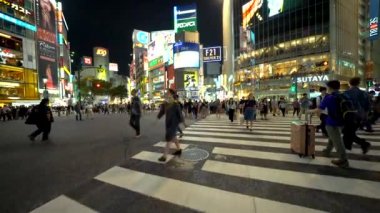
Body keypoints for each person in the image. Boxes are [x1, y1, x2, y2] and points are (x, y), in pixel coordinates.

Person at [316, 80, 349, 168]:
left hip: (332, 122)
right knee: (333, 137)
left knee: (337, 141)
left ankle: (343, 160)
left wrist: (310, 112)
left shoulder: (329, 97)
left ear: (329, 87)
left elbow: (319, 109)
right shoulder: (343, 95)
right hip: (342, 121)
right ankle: (327, 151)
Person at [342, 78, 371, 154]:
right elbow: (368, 106)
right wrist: (365, 116)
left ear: (349, 83)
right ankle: (348, 146)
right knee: (349, 133)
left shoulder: (346, 93)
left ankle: (363, 144)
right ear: (358, 84)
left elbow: (343, 106)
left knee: (347, 133)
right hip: (360, 116)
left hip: (350, 116)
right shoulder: (364, 93)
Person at [157, 89, 184, 162]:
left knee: (169, 138)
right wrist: (157, 118)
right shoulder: (165, 103)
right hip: (168, 123)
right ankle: (178, 150)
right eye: (166, 93)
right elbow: (162, 112)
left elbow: (180, 114)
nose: (166, 94)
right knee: (174, 137)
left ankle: (164, 156)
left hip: (174, 123)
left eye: (168, 93)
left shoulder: (176, 104)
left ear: (172, 94)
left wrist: (183, 123)